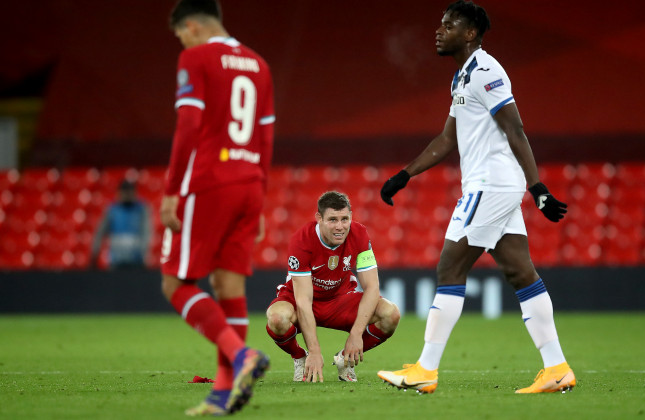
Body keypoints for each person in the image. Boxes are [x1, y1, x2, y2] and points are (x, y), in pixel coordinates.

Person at [376, 0, 575, 394]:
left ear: (469, 34)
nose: (439, 30)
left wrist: (538, 189)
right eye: (441, 23)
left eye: (449, 25)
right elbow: (448, 138)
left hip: (491, 186)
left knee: (450, 268)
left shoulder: (486, 72)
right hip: (492, 186)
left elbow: (516, 130)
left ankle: (425, 370)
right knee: (521, 273)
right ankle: (557, 368)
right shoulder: (462, 78)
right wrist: (405, 174)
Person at [159, 0, 274, 415]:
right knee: (230, 290)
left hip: (209, 183)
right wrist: (259, 197)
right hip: (248, 185)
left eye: (179, 35)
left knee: (176, 285)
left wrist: (172, 190)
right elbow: (265, 137)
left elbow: (189, 124)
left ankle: (240, 355)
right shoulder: (259, 65)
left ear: (190, 26)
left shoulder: (196, 57)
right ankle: (222, 393)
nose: (180, 43)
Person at [266, 191, 401, 383]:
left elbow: (372, 287)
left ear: (351, 217)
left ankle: (344, 360)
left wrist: (356, 334)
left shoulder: (360, 234)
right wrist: (314, 351)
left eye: (344, 219)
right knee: (277, 318)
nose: (340, 227)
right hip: (302, 300)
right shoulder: (301, 240)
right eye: (332, 220)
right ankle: (299, 357)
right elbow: (303, 300)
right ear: (319, 218)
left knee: (391, 314)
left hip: (340, 300)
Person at [90, 179, 152, 269]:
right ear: (120, 192)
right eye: (125, 192)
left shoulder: (142, 210)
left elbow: (147, 232)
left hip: (137, 260)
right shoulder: (112, 210)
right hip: (116, 260)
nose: (127, 195)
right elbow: (100, 232)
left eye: (130, 192)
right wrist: (94, 253)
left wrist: (144, 252)